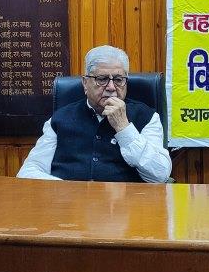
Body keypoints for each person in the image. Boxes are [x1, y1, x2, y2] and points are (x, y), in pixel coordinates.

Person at [17, 45, 171, 182]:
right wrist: (65, 190)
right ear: (85, 83)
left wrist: (124, 128)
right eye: (102, 79)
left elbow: (160, 175)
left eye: (118, 79)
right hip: (68, 203)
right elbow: (29, 171)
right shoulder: (60, 119)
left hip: (125, 203)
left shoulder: (147, 117)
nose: (111, 87)